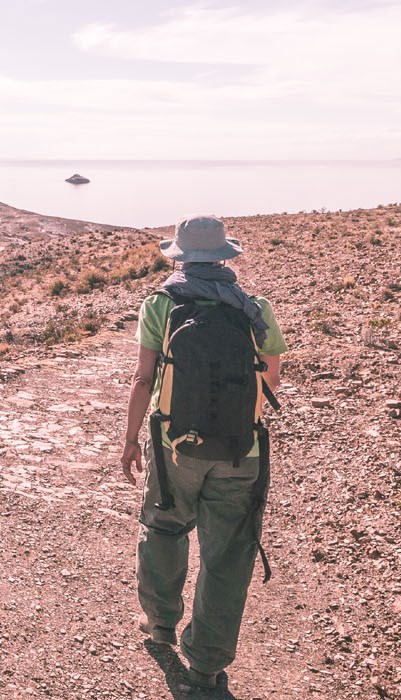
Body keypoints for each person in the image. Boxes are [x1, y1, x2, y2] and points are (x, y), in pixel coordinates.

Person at [116, 215, 287, 690]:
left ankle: (160, 624)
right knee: (229, 555)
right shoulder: (255, 308)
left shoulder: (160, 305)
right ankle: (206, 664)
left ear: (180, 257)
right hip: (241, 450)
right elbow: (269, 380)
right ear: (225, 258)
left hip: (175, 446)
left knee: (164, 528)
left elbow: (142, 380)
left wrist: (131, 441)